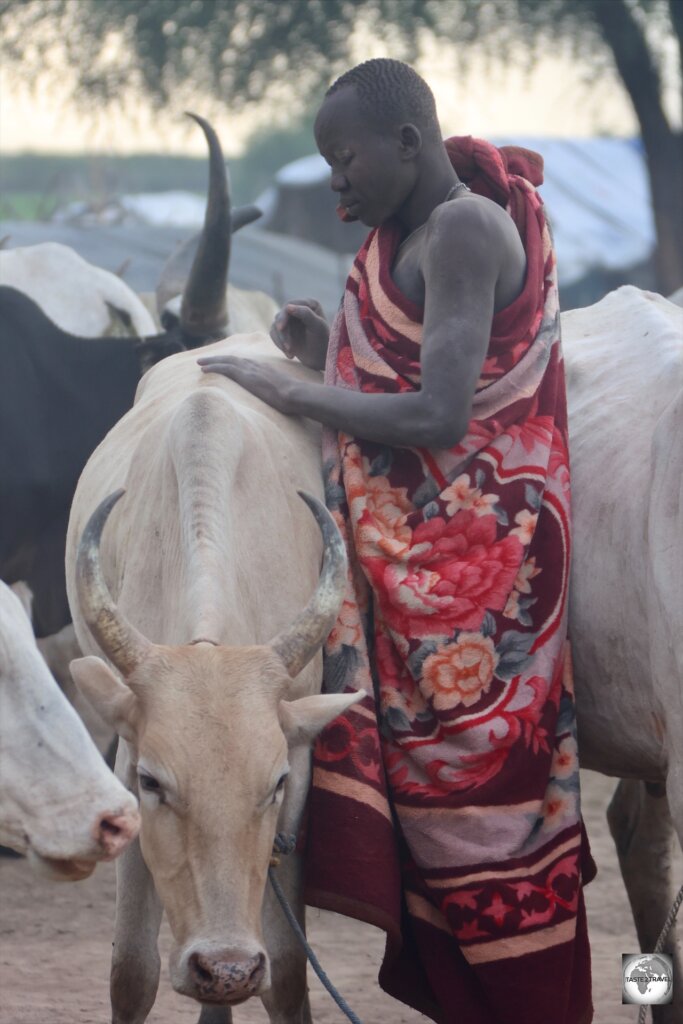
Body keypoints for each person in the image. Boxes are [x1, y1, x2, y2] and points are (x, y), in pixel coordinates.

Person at [199, 58, 594, 1024]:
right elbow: (405, 366)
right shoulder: (406, 235)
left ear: (408, 143)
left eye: (344, 158)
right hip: (428, 566)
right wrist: (325, 348)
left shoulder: (461, 228)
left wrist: (293, 390)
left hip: (480, 573)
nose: (335, 178)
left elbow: (440, 411)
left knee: (485, 810)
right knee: (445, 821)